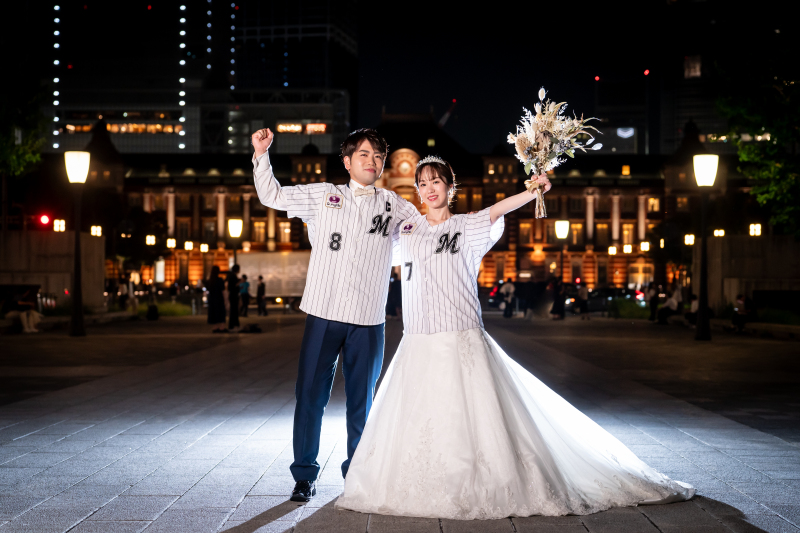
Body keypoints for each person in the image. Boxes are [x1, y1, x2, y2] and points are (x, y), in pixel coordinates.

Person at [336, 156, 694, 519]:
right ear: (417, 191)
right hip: (417, 339)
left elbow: (497, 209)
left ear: (450, 187)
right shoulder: (408, 229)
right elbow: (370, 244)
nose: (430, 189)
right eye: (423, 184)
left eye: (436, 182)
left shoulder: (467, 226)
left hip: (461, 334)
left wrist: (533, 189)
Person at [251, 126, 419, 502]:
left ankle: (357, 475)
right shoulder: (324, 195)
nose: (372, 161)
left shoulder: (395, 205)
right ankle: (304, 475)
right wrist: (261, 155)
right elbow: (272, 194)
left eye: (379, 156)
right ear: (347, 161)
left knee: (362, 403)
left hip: (369, 319)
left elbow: (422, 238)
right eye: (364, 154)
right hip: (323, 313)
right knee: (310, 398)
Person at [206, 266, 227, 333]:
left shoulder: (210, 281)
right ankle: (222, 327)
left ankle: (215, 327)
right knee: (221, 312)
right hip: (219, 298)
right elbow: (223, 291)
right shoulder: (220, 280)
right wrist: (225, 300)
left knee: (213, 312)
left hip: (212, 299)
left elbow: (208, 290)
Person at [227, 265, 241, 331]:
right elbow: (232, 286)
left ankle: (234, 325)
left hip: (233, 295)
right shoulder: (233, 276)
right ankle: (233, 325)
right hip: (234, 296)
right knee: (234, 311)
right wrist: (238, 283)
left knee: (234, 311)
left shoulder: (231, 276)